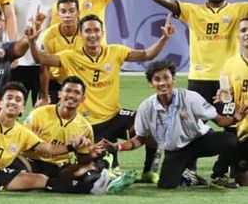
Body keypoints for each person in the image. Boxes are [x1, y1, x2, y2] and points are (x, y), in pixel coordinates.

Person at [28, 14, 175, 181]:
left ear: (102, 32)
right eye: (88, 31)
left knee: (149, 128)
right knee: (104, 172)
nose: (92, 35)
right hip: (89, 126)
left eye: (96, 30)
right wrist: (32, 41)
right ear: (80, 35)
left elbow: (147, 54)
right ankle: (109, 164)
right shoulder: (70, 56)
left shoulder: (115, 51)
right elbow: (40, 58)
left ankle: (148, 171)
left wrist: (164, 38)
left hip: (115, 116)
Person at [107, 59, 246, 189]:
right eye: (157, 79)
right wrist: (119, 147)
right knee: (166, 186)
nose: (162, 83)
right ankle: (190, 177)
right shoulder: (146, 107)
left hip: (201, 141)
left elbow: (219, 120)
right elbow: (140, 139)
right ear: (151, 84)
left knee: (231, 140)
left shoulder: (191, 98)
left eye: (166, 78)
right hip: (177, 151)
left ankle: (218, 175)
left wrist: (234, 118)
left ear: (173, 79)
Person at [138, 0, 248, 107]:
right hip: (199, 79)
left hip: (229, 79)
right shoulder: (192, 11)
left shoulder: (240, 9)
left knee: (232, 123)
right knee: (192, 126)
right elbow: (168, 1)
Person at [23, 76, 125, 186]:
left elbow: (82, 160)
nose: (71, 95)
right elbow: (20, 146)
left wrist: (92, 154)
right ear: (59, 94)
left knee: (87, 170)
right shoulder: (38, 115)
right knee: (13, 166)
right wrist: (31, 142)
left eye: (76, 92)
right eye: (67, 91)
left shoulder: (84, 127)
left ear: (83, 98)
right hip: (32, 163)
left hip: (60, 168)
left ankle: (106, 175)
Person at [10, 0, 67, 106]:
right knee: (11, 109)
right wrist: (9, 54)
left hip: (44, 62)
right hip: (18, 62)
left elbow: (74, 8)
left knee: (43, 112)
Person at [38, 0, 84, 104]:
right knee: (43, 113)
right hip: (56, 83)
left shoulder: (86, 33)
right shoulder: (49, 35)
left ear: (78, 13)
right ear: (58, 14)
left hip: (82, 82)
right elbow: (44, 68)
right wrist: (44, 96)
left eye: (71, 11)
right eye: (63, 11)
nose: (67, 15)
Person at [220, 17, 248, 185]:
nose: (247, 34)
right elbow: (227, 102)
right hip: (241, 131)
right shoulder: (229, 66)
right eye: (243, 30)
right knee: (242, 180)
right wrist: (224, 100)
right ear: (238, 36)